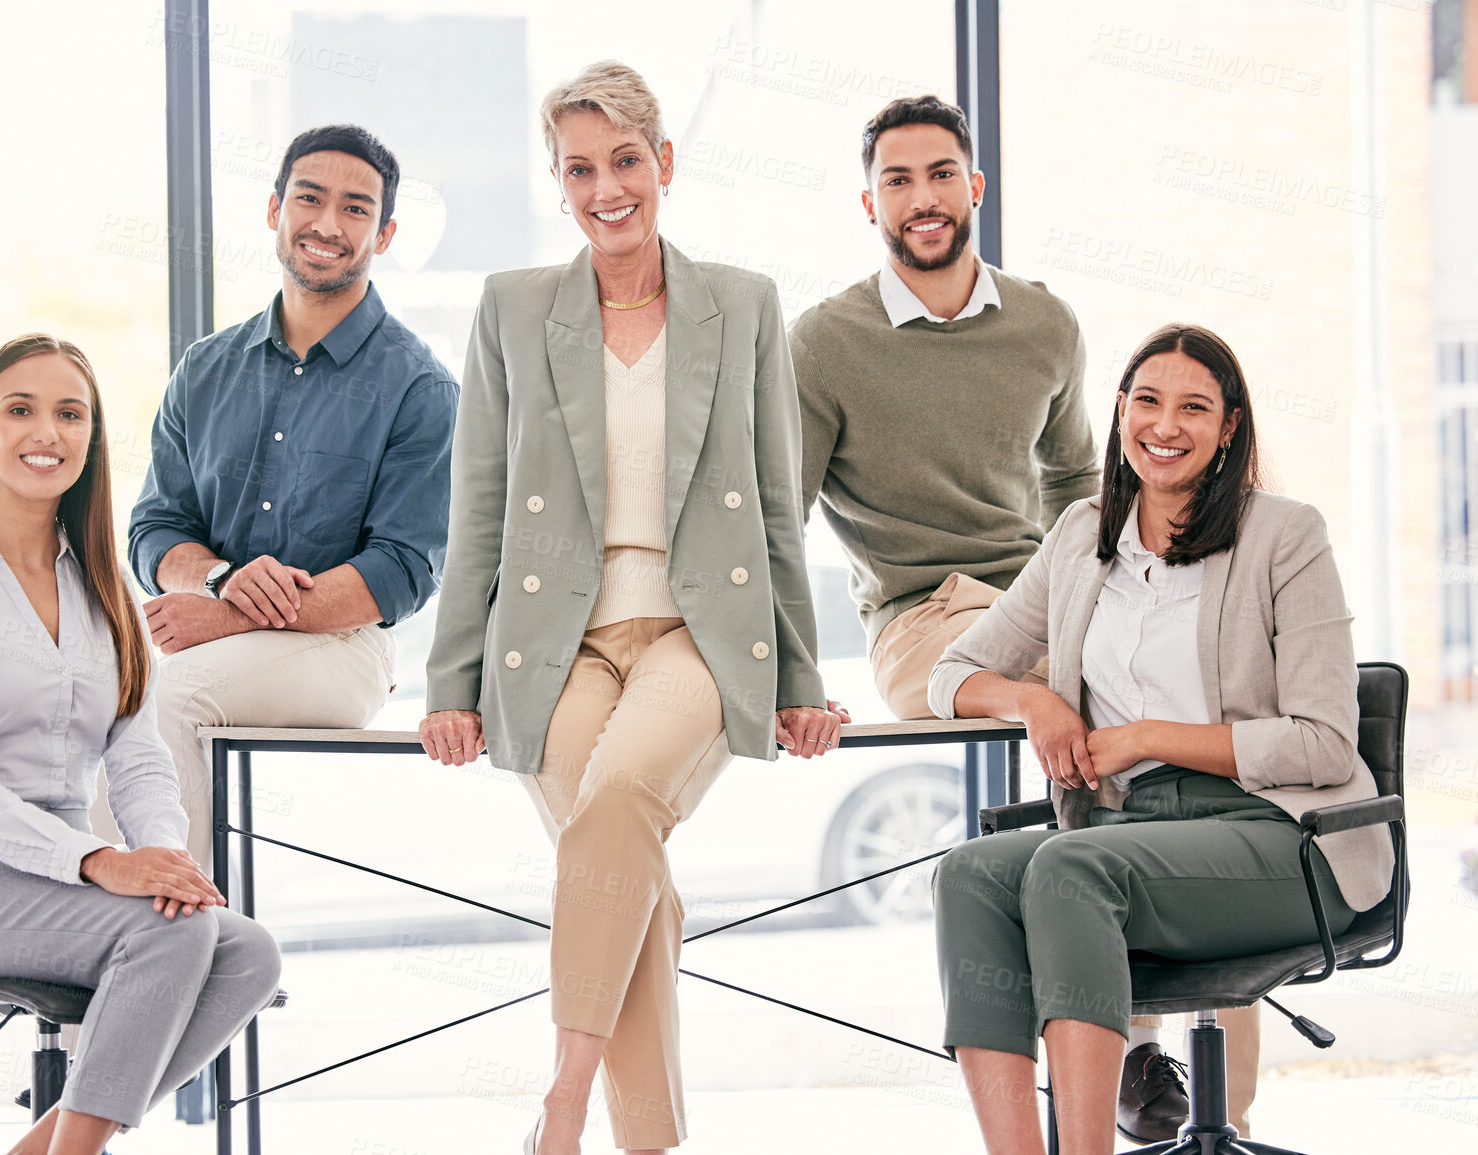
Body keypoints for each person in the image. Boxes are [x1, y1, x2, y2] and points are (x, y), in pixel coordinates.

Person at [789, 94, 1255, 1139]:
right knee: (1062, 723)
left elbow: (1073, 494)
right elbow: (783, 512)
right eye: (900, 180)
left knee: (1138, 742)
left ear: (975, 187)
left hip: (1045, 591)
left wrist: (1122, 600)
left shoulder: (1045, 323)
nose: (924, 198)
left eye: (941, 174)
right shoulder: (823, 341)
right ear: (870, 202)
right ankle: (1121, 1051)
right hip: (923, 616)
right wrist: (786, 670)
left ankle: (1133, 1040)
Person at [421, 61, 844, 1155]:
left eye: (624, 161)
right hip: (551, 641)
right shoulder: (513, 308)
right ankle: (648, 1145)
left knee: (612, 813)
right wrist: (449, 682)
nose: (605, 188)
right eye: (578, 169)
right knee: (621, 873)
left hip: (700, 633)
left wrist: (801, 678)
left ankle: (563, 1102)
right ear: (555, 181)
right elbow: (477, 504)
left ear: (663, 164)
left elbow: (777, 505)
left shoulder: (741, 303)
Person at [927, 324, 1395, 1155]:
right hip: (1129, 828)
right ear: (1118, 412)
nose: (1164, 424)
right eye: (1146, 400)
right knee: (968, 872)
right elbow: (952, 671)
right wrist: (1032, 699)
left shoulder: (1284, 535)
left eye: (1193, 406)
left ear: (1229, 427)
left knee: (1071, 864)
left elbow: (1325, 742)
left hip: (1282, 837)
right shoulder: (1080, 536)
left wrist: (1148, 735)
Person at [0, 335, 282, 1155]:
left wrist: (160, 857)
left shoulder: (104, 583)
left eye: (69, 413)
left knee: (247, 953)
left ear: (90, 439)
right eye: (19, 409)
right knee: (174, 934)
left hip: (51, 875)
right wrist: (102, 863)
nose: (44, 430)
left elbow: (139, 755)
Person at [110, 124, 458, 871]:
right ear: (274, 210)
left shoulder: (420, 388)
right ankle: (85, 931)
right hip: (213, 634)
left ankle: (176, 941)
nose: (328, 225)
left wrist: (227, 610)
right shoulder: (205, 368)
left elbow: (399, 571)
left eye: (355, 208)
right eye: (309, 198)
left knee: (169, 700)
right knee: (87, 694)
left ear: (384, 232)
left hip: (343, 648)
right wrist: (218, 578)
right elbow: (154, 528)